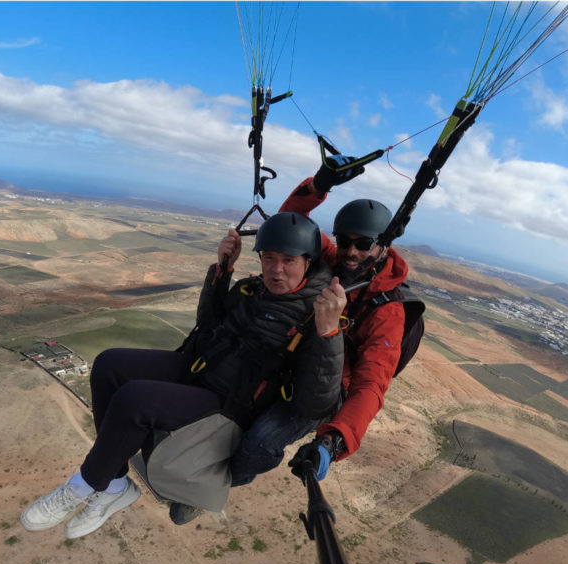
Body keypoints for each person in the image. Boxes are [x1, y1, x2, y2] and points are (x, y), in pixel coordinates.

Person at [20, 212, 346, 538]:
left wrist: (328, 334)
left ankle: (86, 483)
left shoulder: (319, 315)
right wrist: (223, 270)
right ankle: (115, 483)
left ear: (308, 261)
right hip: (200, 369)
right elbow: (208, 323)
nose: (276, 269)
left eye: (288, 260)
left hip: (230, 403)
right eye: (269, 258)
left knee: (135, 400)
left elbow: (315, 403)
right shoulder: (253, 290)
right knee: (109, 366)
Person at [227, 159, 409, 485]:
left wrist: (332, 440)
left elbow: (371, 385)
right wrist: (319, 186)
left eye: (364, 244)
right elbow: (290, 226)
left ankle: (227, 481)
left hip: (327, 390)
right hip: (293, 356)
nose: (351, 251)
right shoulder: (334, 260)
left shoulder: (386, 312)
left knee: (260, 441)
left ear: (383, 246)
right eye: (345, 241)